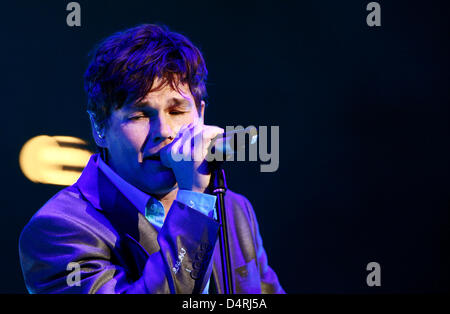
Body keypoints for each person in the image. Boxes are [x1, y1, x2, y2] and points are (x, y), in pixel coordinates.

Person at [19, 24, 284, 294]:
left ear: (200, 114)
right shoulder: (58, 230)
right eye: (139, 115)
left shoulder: (233, 210)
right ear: (99, 126)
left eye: (177, 110)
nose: (165, 132)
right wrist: (192, 200)